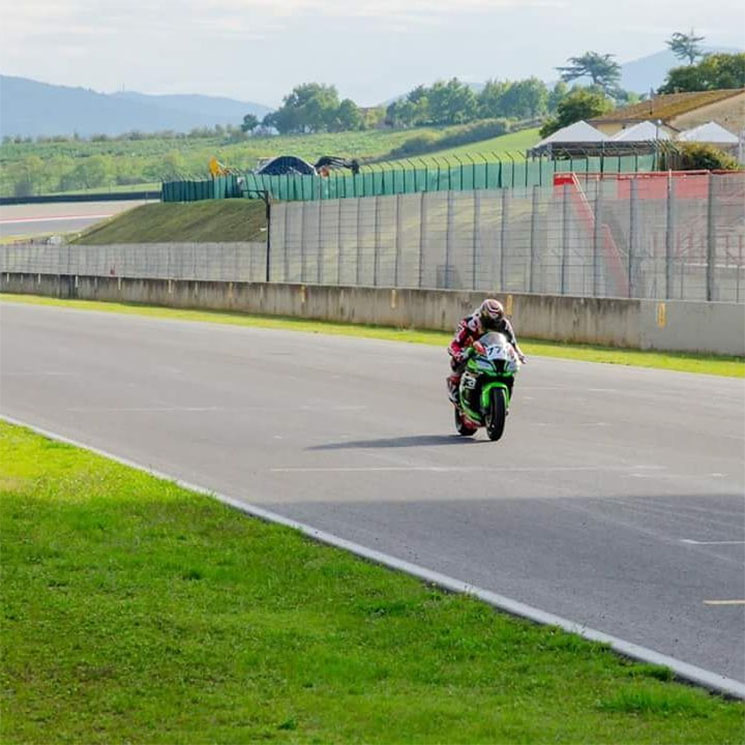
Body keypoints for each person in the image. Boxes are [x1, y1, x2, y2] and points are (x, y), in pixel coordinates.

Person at [446, 298, 526, 404]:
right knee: (458, 362)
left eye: (495, 324)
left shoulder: (504, 324)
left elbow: (512, 343)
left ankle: (504, 400)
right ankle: (455, 385)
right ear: (482, 317)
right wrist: (460, 353)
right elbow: (455, 344)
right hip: (471, 350)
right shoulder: (469, 323)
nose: (493, 326)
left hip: (493, 352)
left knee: (509, 370)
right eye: (489, 323)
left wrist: (519, 355)